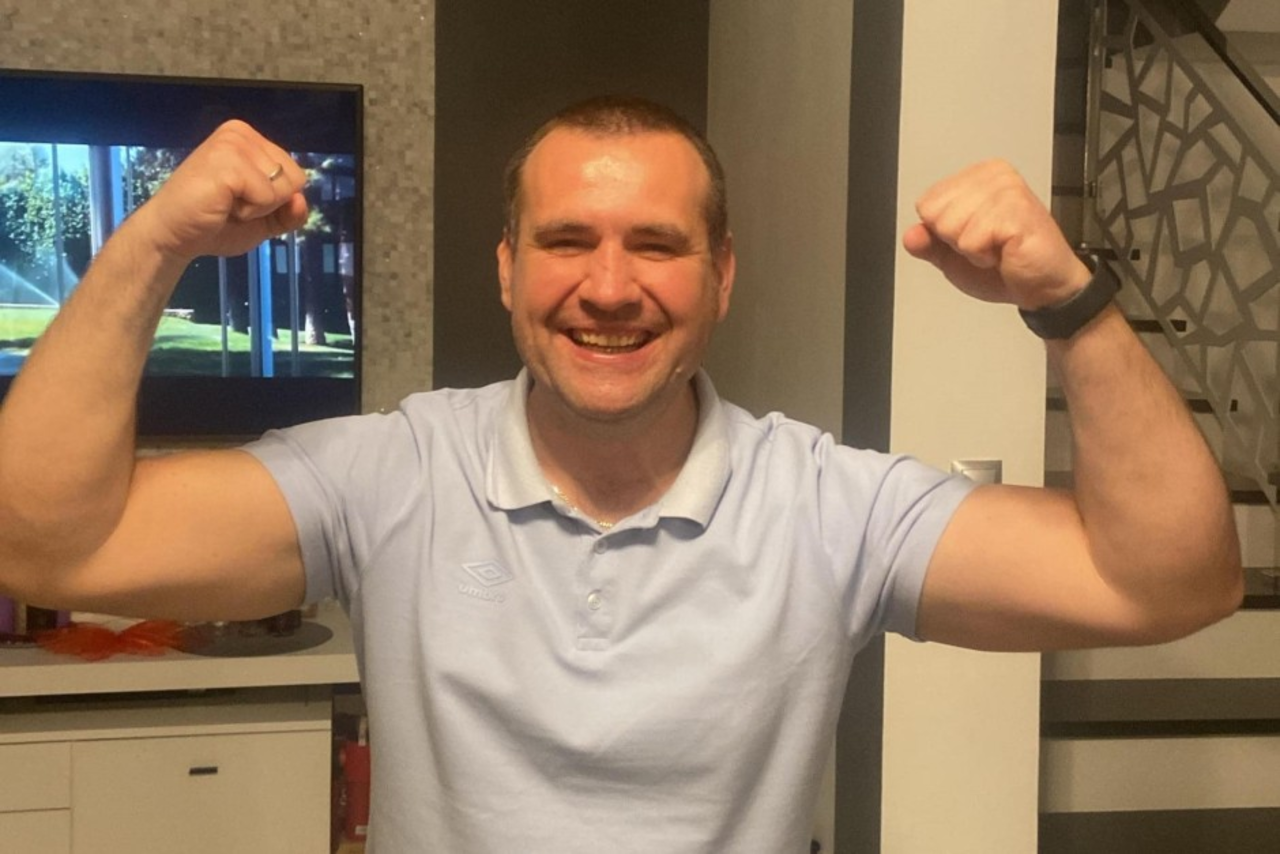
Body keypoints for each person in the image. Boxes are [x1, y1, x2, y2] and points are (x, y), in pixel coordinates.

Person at [0, 97, 1242, 851]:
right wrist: (156, 238)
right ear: (506, 269)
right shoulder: (391, 474)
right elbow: (49, 541)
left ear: (720, 276)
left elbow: (1167, 581)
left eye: (655, 243)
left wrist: (1065, 300)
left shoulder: (829, 506)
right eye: (565, 241)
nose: (607, 287)